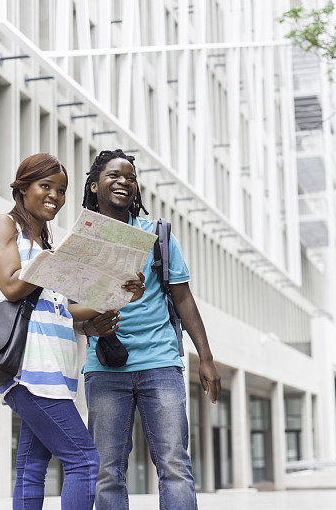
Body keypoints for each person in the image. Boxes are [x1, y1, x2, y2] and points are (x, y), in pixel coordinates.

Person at [0, 152, 145, 509]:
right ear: (22, 189)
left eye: (62, 190)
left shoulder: (46, 247)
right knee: (85, 461)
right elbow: (10, 286)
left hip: (55, 372)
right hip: (30, 371)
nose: (55, 195)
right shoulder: (4, 226)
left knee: (31, 467)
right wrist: (54, 264)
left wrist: (121, 293)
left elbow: (62, 314)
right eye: (45, 186)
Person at [78, 149, 221, 510]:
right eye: (113, 175)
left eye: (129, 176)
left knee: (174, 465)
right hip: (105, 367)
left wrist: (206, 357)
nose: (123, 181)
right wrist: (89, 322)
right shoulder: (83, 242)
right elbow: (73, 312)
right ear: (94, 186)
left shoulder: (157, 235)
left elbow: (184, 299)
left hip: (160, 363)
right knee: (107, 472)